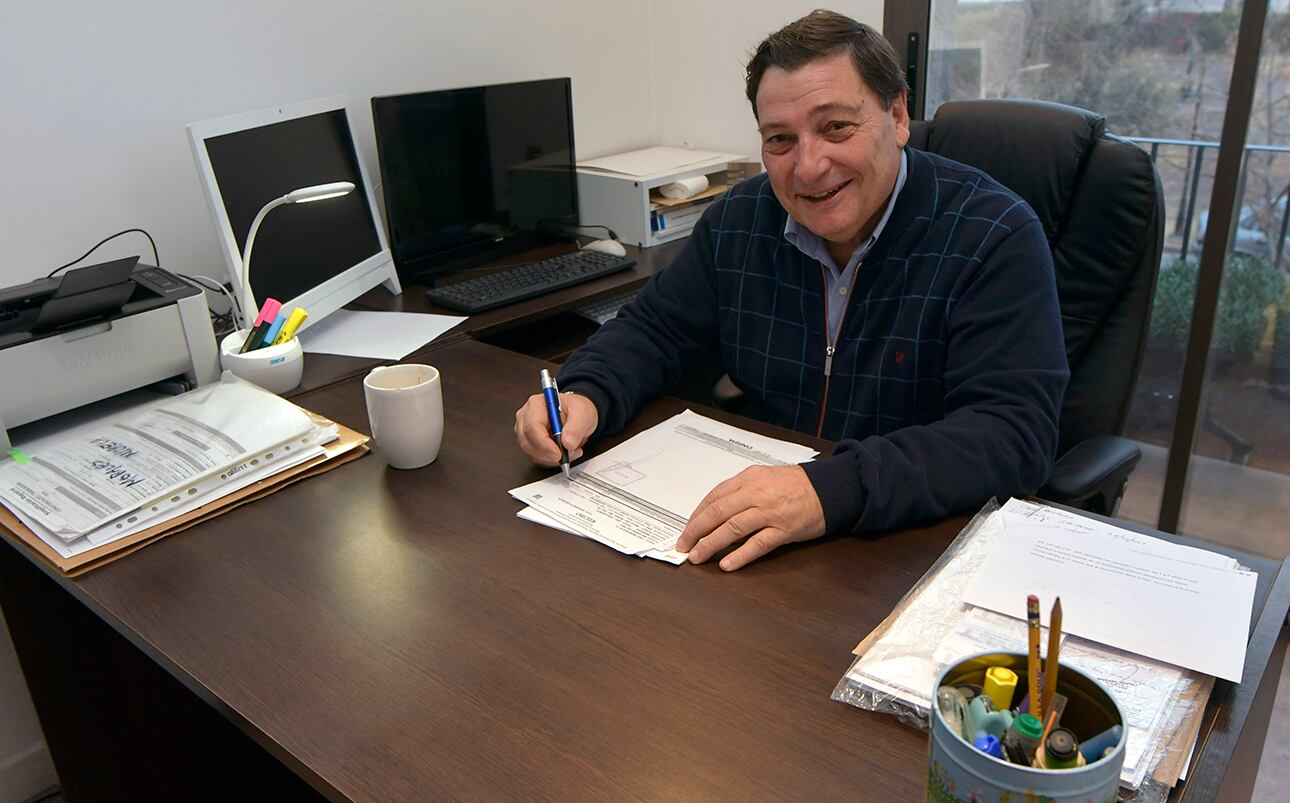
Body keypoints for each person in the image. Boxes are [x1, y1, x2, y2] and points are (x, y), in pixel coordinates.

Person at [515, 10, 1069, 571]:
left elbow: (1011, 434)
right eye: (780, 139)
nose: (808, 167)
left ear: (897, 115)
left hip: (903, 548)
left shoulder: (993, 234)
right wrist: (585, 394)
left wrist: (825, 491)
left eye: (836, 128)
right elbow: (655, 330)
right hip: (759, 542)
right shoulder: (740, 218)